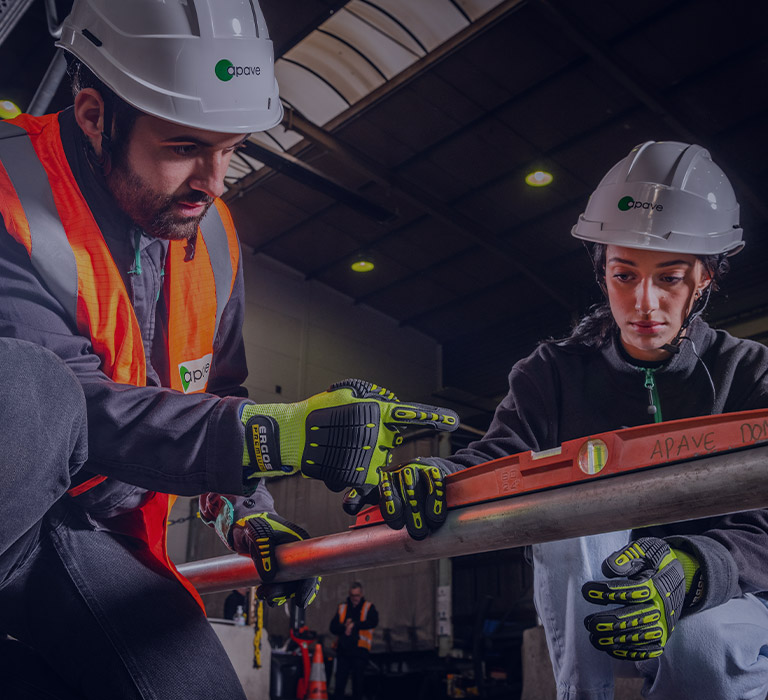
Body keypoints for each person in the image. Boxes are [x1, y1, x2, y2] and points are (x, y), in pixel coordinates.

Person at [0, 1, 458, 698]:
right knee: (29, 387)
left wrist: (247, 510)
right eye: (185, 147)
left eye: (231, 147)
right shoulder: (8, 188)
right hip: (15, 508)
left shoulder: (211, 235)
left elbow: (216, 396)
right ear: (94, 115)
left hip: (96, 530)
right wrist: (268, 437)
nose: (214, 183)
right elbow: (64, 411)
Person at [354, 141, 768, 699]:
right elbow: (501, 458)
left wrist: (695, 569)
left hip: (730, 593)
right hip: (607, 601)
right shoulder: (551, 375)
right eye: (625, 275)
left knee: (702, 648)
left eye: (668, 278)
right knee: (566, 508)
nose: (644, 302)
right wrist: (438, 474)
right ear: (603, 271)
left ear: (705, 280)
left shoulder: (751, 374)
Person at [330, 581, 379, 700]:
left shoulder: (368, 607)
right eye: (352, 595)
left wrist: (354, 625)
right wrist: (344, 627)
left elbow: (373, 622)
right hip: (343, 651)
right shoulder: (342, 607)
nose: (355, 598)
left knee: (358, 682)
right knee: (340, 682)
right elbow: (333, 627)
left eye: (357, 595)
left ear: (361, 594)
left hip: (359, 650)